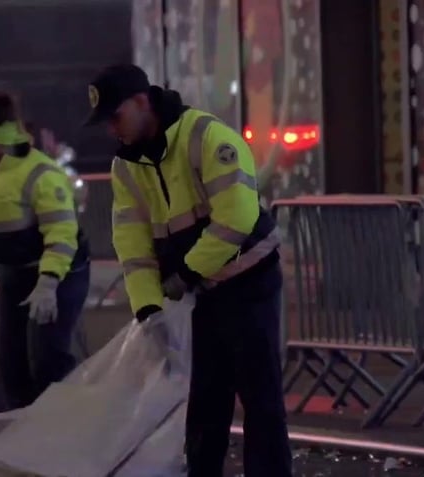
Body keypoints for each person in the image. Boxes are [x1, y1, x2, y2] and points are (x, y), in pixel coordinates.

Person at [84, 64, 292, 477]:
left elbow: (237, 217)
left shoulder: (207, 138)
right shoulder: (126, 166)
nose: (112, 129)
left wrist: (185, 275)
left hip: (248, 282)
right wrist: (147, 307)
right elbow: (133, 242)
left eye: (116, 116)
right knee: (204, 401)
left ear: (142, 103)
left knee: (259, 397)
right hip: (199, 293)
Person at [0, 92, 90, 409]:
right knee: (11, 361)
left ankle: (57, 431)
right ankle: (20, 429)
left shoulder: (41, 175)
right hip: (15, 275)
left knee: (48, 359)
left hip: (58, 275)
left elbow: (61, 233)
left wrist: (48, 283)